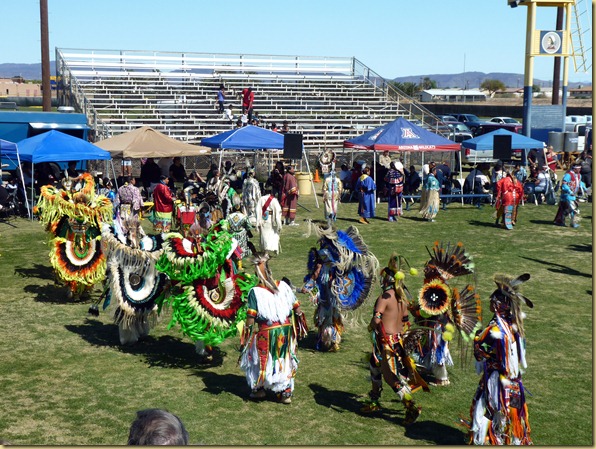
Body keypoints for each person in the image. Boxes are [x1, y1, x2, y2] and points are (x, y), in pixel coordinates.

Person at [465, 273, 533, 445]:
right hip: (514, 382)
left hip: (496, 383)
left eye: (491, 300)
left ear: (496, 305)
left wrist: (475, 337)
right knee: (507, 422)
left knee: (486, 418)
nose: (489, 303)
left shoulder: (495, 328)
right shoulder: (513, 324)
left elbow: (480, 352)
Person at [361, 254, 429, 424]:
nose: (381, 280)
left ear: (388, 280)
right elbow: (406, 321)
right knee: (373, 365)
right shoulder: (401, 297)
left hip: (386, 343)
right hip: (397, 341)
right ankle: (374, 401)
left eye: (383, 277)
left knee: (391, 378)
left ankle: (411, 407)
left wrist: (372, 326)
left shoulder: (384, 297)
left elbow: (377, 319)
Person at [239, 252, 307, 403]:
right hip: (286, 331)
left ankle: (260, 389)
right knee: (283, 357)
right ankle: (285, 392)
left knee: (258, 357)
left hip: (267, 333)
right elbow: (297, 310)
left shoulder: (254, 292)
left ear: (256, 272)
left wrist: (245, 338)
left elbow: (250, 319)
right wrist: (299, 327)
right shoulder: (284, 286)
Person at [302, 224, 379, 352]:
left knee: (332, 308)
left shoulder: (338, 246)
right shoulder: (326, 245)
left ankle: (331, 339)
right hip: (325, 280)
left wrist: (336, 270)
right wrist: (311, 282)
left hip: (334, 281)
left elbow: (341, 262)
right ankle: (327, 338)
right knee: (325, 306)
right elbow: (317, 267)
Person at [494, 164, 524, 229]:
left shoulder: (505, 179)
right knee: (514, 209)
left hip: (507, 195)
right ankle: (512, 220)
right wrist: (520, 196)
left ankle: (504, 222)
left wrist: (500, 193)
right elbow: (520, 189)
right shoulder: (516, 180)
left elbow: (498, 184)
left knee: (504, 209)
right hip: (515, 196)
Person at [554, 162, 581, 228]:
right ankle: (564, 221)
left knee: (573, 209)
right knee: (570, 209)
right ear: (575, 169)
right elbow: (564, 184)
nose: (580, 169)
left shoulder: (579, 175)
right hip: (566, 195)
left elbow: (579, 183)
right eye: (579, 168)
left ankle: (571, 223)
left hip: (573, 195)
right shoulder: (568, 175)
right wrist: (569, 191)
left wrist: (583, 189)